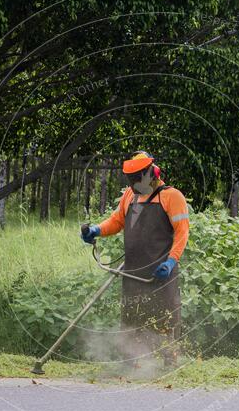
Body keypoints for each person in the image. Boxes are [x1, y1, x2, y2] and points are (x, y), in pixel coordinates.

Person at [81, 151, 189, 365]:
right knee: (132, 319)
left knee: (164, 317)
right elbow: (116, 221)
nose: (134, 184)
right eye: (132, 180)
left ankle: (169, 362)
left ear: (152, 172)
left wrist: (170, 262)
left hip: (161, 273)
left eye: (138, 178)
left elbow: (182, 232)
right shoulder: (130, 197)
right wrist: (96, 230)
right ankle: (131, 363)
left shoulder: (171, 196)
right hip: (132, 272)